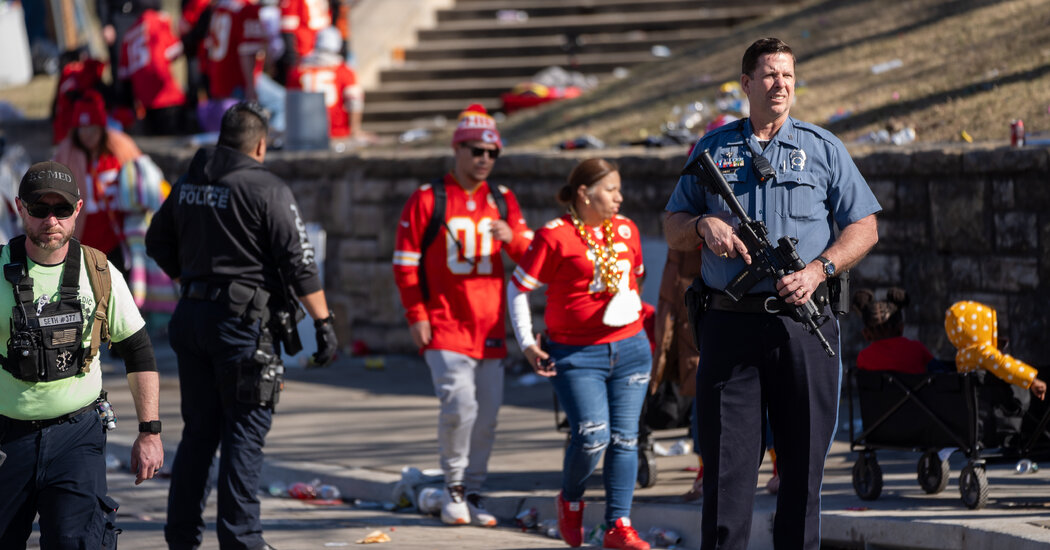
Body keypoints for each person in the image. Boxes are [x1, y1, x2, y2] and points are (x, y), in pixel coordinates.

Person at [663, 37, 881, 549]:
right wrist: (701, 226)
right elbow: (672, 225)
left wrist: (818, 270)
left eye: (787, 74)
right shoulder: (713, 149)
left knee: (802, 472)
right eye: (768, 75)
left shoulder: (823, 148)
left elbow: (864, 227)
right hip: (729, 324)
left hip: (802, 323)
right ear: (745, 84)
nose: (780, 83)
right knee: (726, 472)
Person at [145, 101, 338, 550]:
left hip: (191, 319)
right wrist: (324, 322)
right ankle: (242, 540)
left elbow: (157, 239)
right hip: (241, 327)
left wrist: (193, 279)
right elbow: (300, 263)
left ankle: (182, 539)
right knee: (244, 433)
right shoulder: (265, 187)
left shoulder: (192, 179)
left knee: (199, 434)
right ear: (260, 144)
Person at [0, 160, 163, 548]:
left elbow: (138, 352)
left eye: (61, 209)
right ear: (21, 209)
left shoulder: (100, 272)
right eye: (39, 209)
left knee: (78, 542)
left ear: (78, 209)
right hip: (7, 439)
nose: (50, 220)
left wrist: (150, 432)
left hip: (78, 437)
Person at [392, 104, 532, 527]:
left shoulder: (502, 199)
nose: (484, 159)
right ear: (457, 149)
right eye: (476, 151)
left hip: (488, 324)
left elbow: (533, 259)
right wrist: (416, 313)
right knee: (460, 406)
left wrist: (513, 240)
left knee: (487, 416)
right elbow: (404, 263)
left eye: (492, 153)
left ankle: (473, 488)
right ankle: (453, 485)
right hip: (444, 322)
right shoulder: (428, 198)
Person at [508, 158, 652, 550]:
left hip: (632, 348)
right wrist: (527, 343)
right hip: (576, 354)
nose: (620, 197)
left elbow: (634, 281)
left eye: (620, 189)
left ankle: (617, 526)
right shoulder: (555, 235)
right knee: (592, 436)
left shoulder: (626, 229)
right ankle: (570, 501)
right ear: (585, 194)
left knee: (625, 440)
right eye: (611, 190)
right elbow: (518, 288)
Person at [53, 90, 143, 273]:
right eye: (82, 128)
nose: (87, 134)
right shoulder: (66, 155)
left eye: (93, 127)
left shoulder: (119, 150)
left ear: (102, 127)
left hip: (118, 241)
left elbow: (144, 180)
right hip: (84, 244)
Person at [946, 300, 1047, 401]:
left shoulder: (962, 354)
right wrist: (1031, 380)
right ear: (980, 329)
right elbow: (1003, 365)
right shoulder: (981, 351)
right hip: (992, 407)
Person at [118, 0, 187, 135]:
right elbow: (175, 49)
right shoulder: (158, 20)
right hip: (167, 97)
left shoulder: (129, 34)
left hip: (145, 103)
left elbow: (124, 74)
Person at [287, 26, 367, 140]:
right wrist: (355, 131)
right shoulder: (344, 71)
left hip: (304, 134)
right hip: (337, 133)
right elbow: (355, 102)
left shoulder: (298, 71)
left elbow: (291, 105)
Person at [853, 287, 935, 374]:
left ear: (866, 334)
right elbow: (942, 372)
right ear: (901, 328)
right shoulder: (918, 349)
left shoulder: (863, 357)